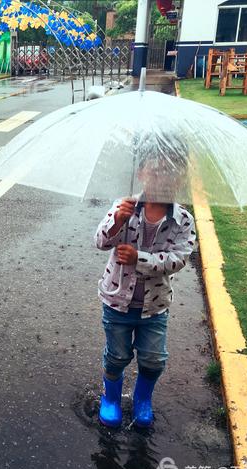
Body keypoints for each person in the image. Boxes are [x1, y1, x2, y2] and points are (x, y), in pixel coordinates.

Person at [93, 134, 196, 428]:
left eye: (171, 172)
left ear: (181, 178)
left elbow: (178, 259)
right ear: (141, 173)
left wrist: (139, 257)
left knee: (154, 359)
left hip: (155, 307)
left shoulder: (183, 220)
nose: (163, 177)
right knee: (117, 355)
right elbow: (100, 242)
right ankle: (110, 398)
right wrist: (117, 221)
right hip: (117, 302)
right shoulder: (123, 206)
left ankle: (142, 399)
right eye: (155, 170)